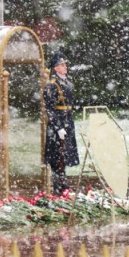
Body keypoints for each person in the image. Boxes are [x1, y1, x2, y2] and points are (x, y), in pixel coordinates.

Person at [43, 51, 80, 195]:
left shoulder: (67, 82)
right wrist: (58, 127)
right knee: (56, 154)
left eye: (65, 65)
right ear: (56, 68)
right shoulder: (52, 85)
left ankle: (63, 181)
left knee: (65, 153)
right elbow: (50, 109)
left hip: (68, 121)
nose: (65, 67)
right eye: (62, 65)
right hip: (57, 124)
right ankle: (58, 183)